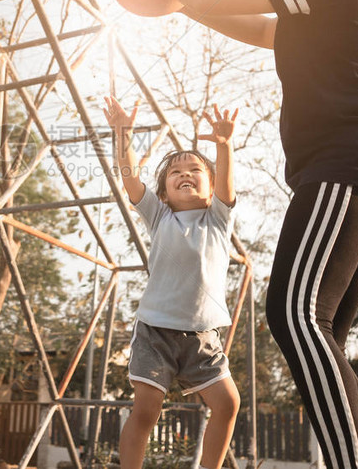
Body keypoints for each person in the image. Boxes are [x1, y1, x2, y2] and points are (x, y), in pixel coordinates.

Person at [108, 0, 358, 469]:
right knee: (322, 338)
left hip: (345, 171)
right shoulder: (326, 6)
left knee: (294, 317)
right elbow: (247, 22)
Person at [103, 96, 240, 469]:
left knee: (228, 405)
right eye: (175, 172)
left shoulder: (218, 219)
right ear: (163, 192)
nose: (185, 174)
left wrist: (223, 146)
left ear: (210, 189)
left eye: (195, 170)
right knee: (147, 410)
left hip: (202, 338)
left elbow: (227, 182)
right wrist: (123, 134)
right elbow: (129, 176)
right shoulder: (159, 216)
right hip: (156, 333)